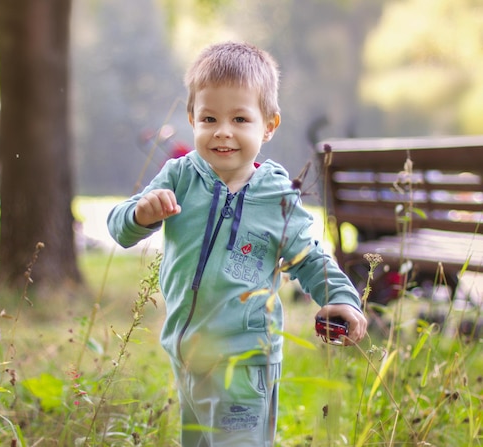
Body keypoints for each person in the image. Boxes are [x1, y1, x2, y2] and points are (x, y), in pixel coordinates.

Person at [107, 41, 367, 446]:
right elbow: (119, 229)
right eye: (209, 117)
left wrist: (342, 297)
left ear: (268, 125)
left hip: (246, 359)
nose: (222, 131)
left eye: (240, 118)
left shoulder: (276, 193)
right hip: (187, 352)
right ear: (192, 118)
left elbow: (309, 256)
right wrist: (141, 214)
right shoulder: (178, 176)